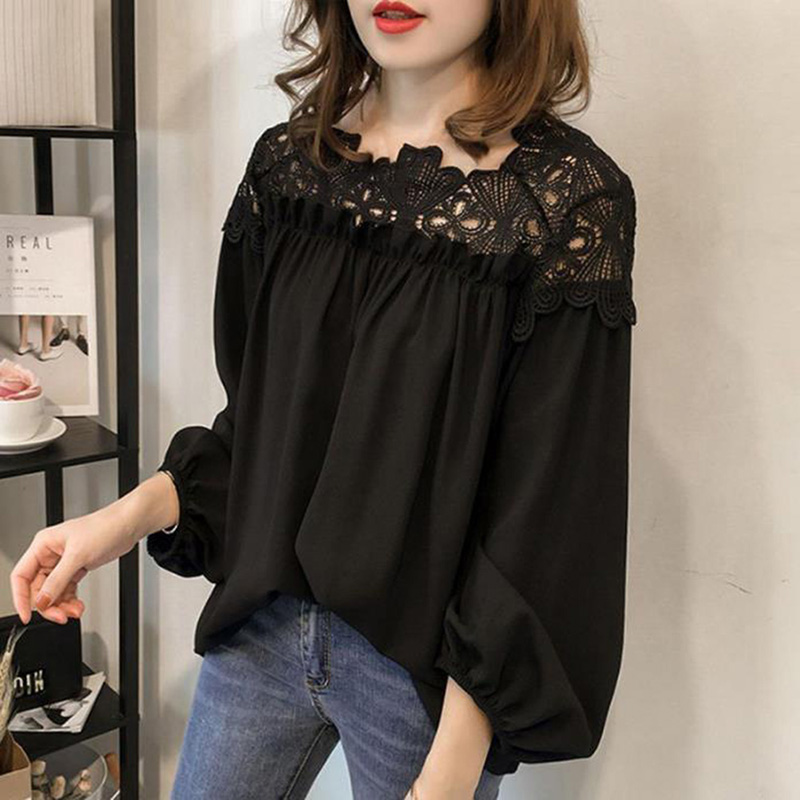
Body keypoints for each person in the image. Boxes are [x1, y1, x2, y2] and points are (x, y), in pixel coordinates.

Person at [9, 0, 639, 797]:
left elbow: (546, 509)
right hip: (261, 630)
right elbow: (260, 430)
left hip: (423, 680)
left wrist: (453, 764)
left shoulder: (566, 200)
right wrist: (120, 520)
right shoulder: (289, 168)